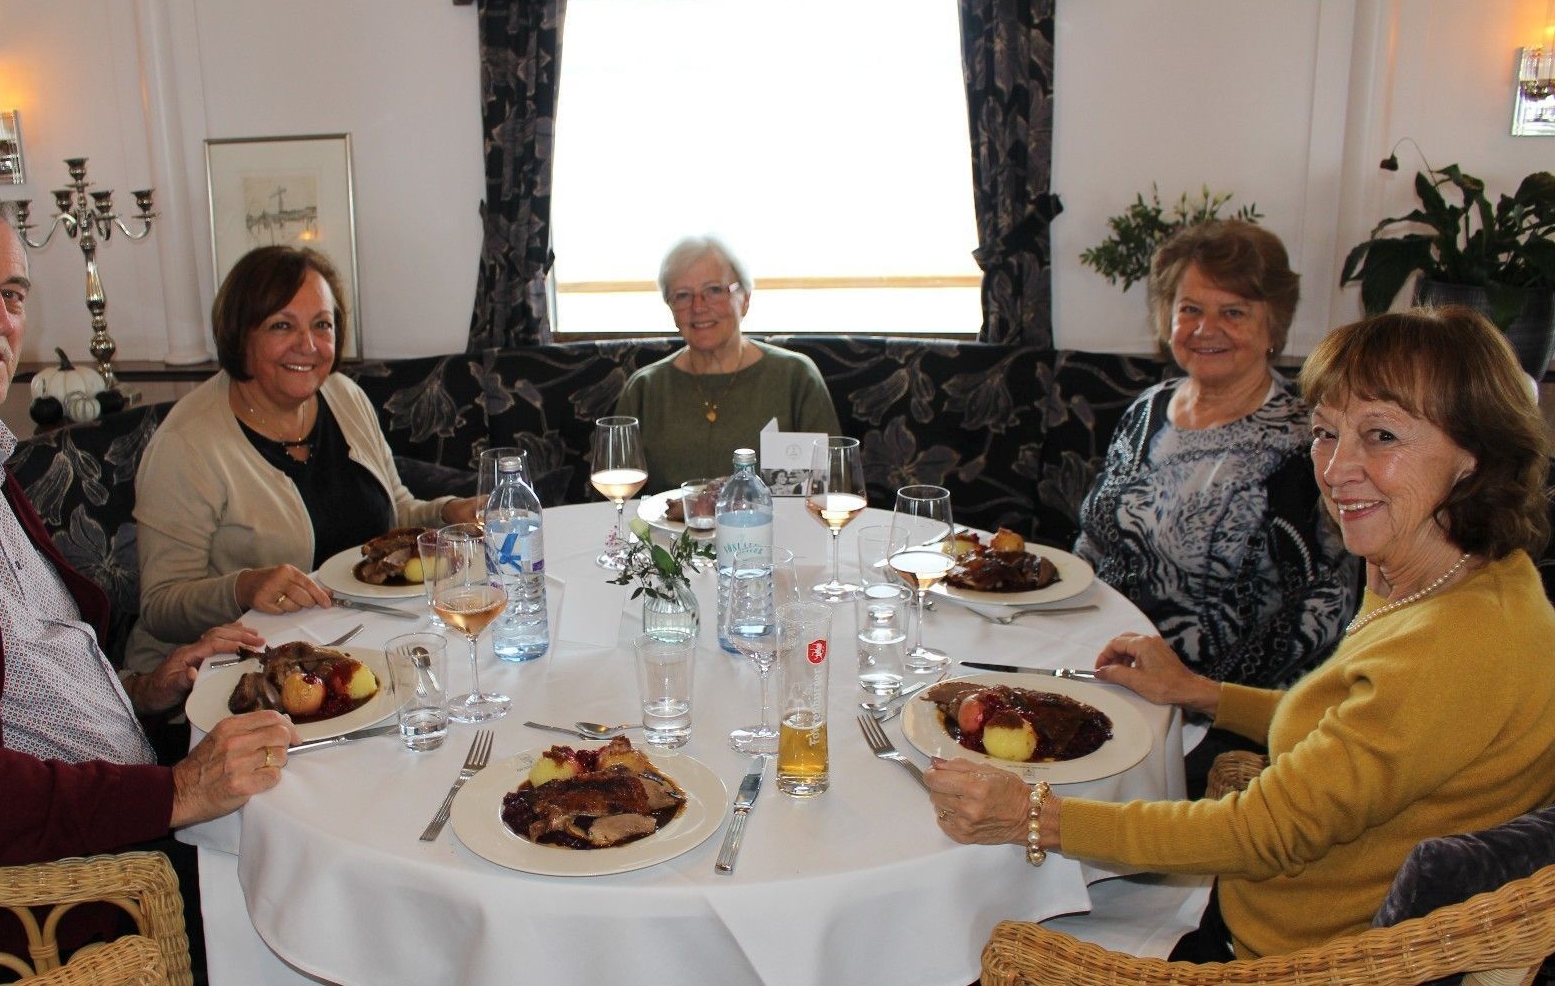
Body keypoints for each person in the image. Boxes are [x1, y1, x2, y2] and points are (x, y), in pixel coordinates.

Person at [925, 306, 1555, 961]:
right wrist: (1202, 692)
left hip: (1277, 956)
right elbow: (1361, 727)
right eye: (1325, 433)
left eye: (1382, 436)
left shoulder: (1453, 646)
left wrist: (1032, 815)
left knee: (967, 939)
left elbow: (1264, 831)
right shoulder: (1476, 579)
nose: (1337, 470)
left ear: (1475, 457)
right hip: (1278, 904)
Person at [0, 186, 299, 976]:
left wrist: (143, 687)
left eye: (11, 293)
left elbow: (12, 667)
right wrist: (176, 793)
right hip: (50, 893)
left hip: (126, 789)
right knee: (325, 900)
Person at [1073, 222, 1355, 790]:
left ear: (1273, 323)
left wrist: (1194, 688)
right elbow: (1093, 545)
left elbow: (1321, 612)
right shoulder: (1147, 410)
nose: (1206, 330)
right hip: (1107, 667)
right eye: (1190, 309)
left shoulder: (1307, 440)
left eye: (1234, 312)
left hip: (1214, 707)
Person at [130, 246, 479, 673]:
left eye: (322, 325)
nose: (308, 346)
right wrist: (243, 587)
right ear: (240, 335)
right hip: (228, 670)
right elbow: (160, 606)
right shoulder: (186, 444)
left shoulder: (343, 396)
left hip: (354, 645)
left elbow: (395, 511)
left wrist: (447, 513)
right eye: (282, 325)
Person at [613, 235, 841, 492]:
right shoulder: (645, 388)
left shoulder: (796, 378)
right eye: (683, 295)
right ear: (671, 308)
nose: (698, 307)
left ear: (744, 299)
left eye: (714, 290)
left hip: (774, 531)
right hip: (664, 532)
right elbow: (621, 500)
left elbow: (831, 485)